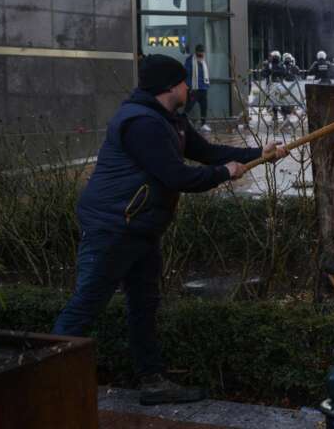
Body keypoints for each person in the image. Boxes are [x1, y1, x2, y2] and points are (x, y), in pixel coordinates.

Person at [53, 55, 288, 405]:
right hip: (113, 227)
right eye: (183, 82)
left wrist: (258, 152)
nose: (188, 87)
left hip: (141, 226)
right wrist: (224, 174)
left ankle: (152, 381)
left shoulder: (170, 119)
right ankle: (45, 385)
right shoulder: (141, 124)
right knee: (85, 306)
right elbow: (176, 176)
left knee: (144, 305)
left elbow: (206, 151)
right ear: (169, 87)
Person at [184, 44, 210, 132]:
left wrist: (207, 85)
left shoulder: (204, 61)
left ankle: (203, 124)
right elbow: (186, 74)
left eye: (203, 52)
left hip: (203, 88)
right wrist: (189, 86)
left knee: (204, 107)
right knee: (189, 106)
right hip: (194, 88)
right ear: (196, 52)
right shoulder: (190, 60)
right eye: (200, 52)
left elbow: (205, 74)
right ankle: (181, 121)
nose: (202, 54)